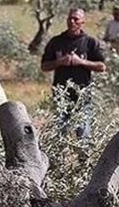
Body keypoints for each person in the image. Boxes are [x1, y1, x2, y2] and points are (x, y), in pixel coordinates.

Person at [41, 8, 106, 138]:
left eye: (76, 19)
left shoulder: (90, 42)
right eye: (70, 18)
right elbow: (44, 66)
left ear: (82, 22)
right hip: (61, 97)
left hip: (82, 97)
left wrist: (80, 62)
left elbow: (101, 66)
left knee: (84, 135)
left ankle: (84, 159)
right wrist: (60, 62)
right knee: (59, 135)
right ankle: (59, 158)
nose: (72, 21)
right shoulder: (56, 41)